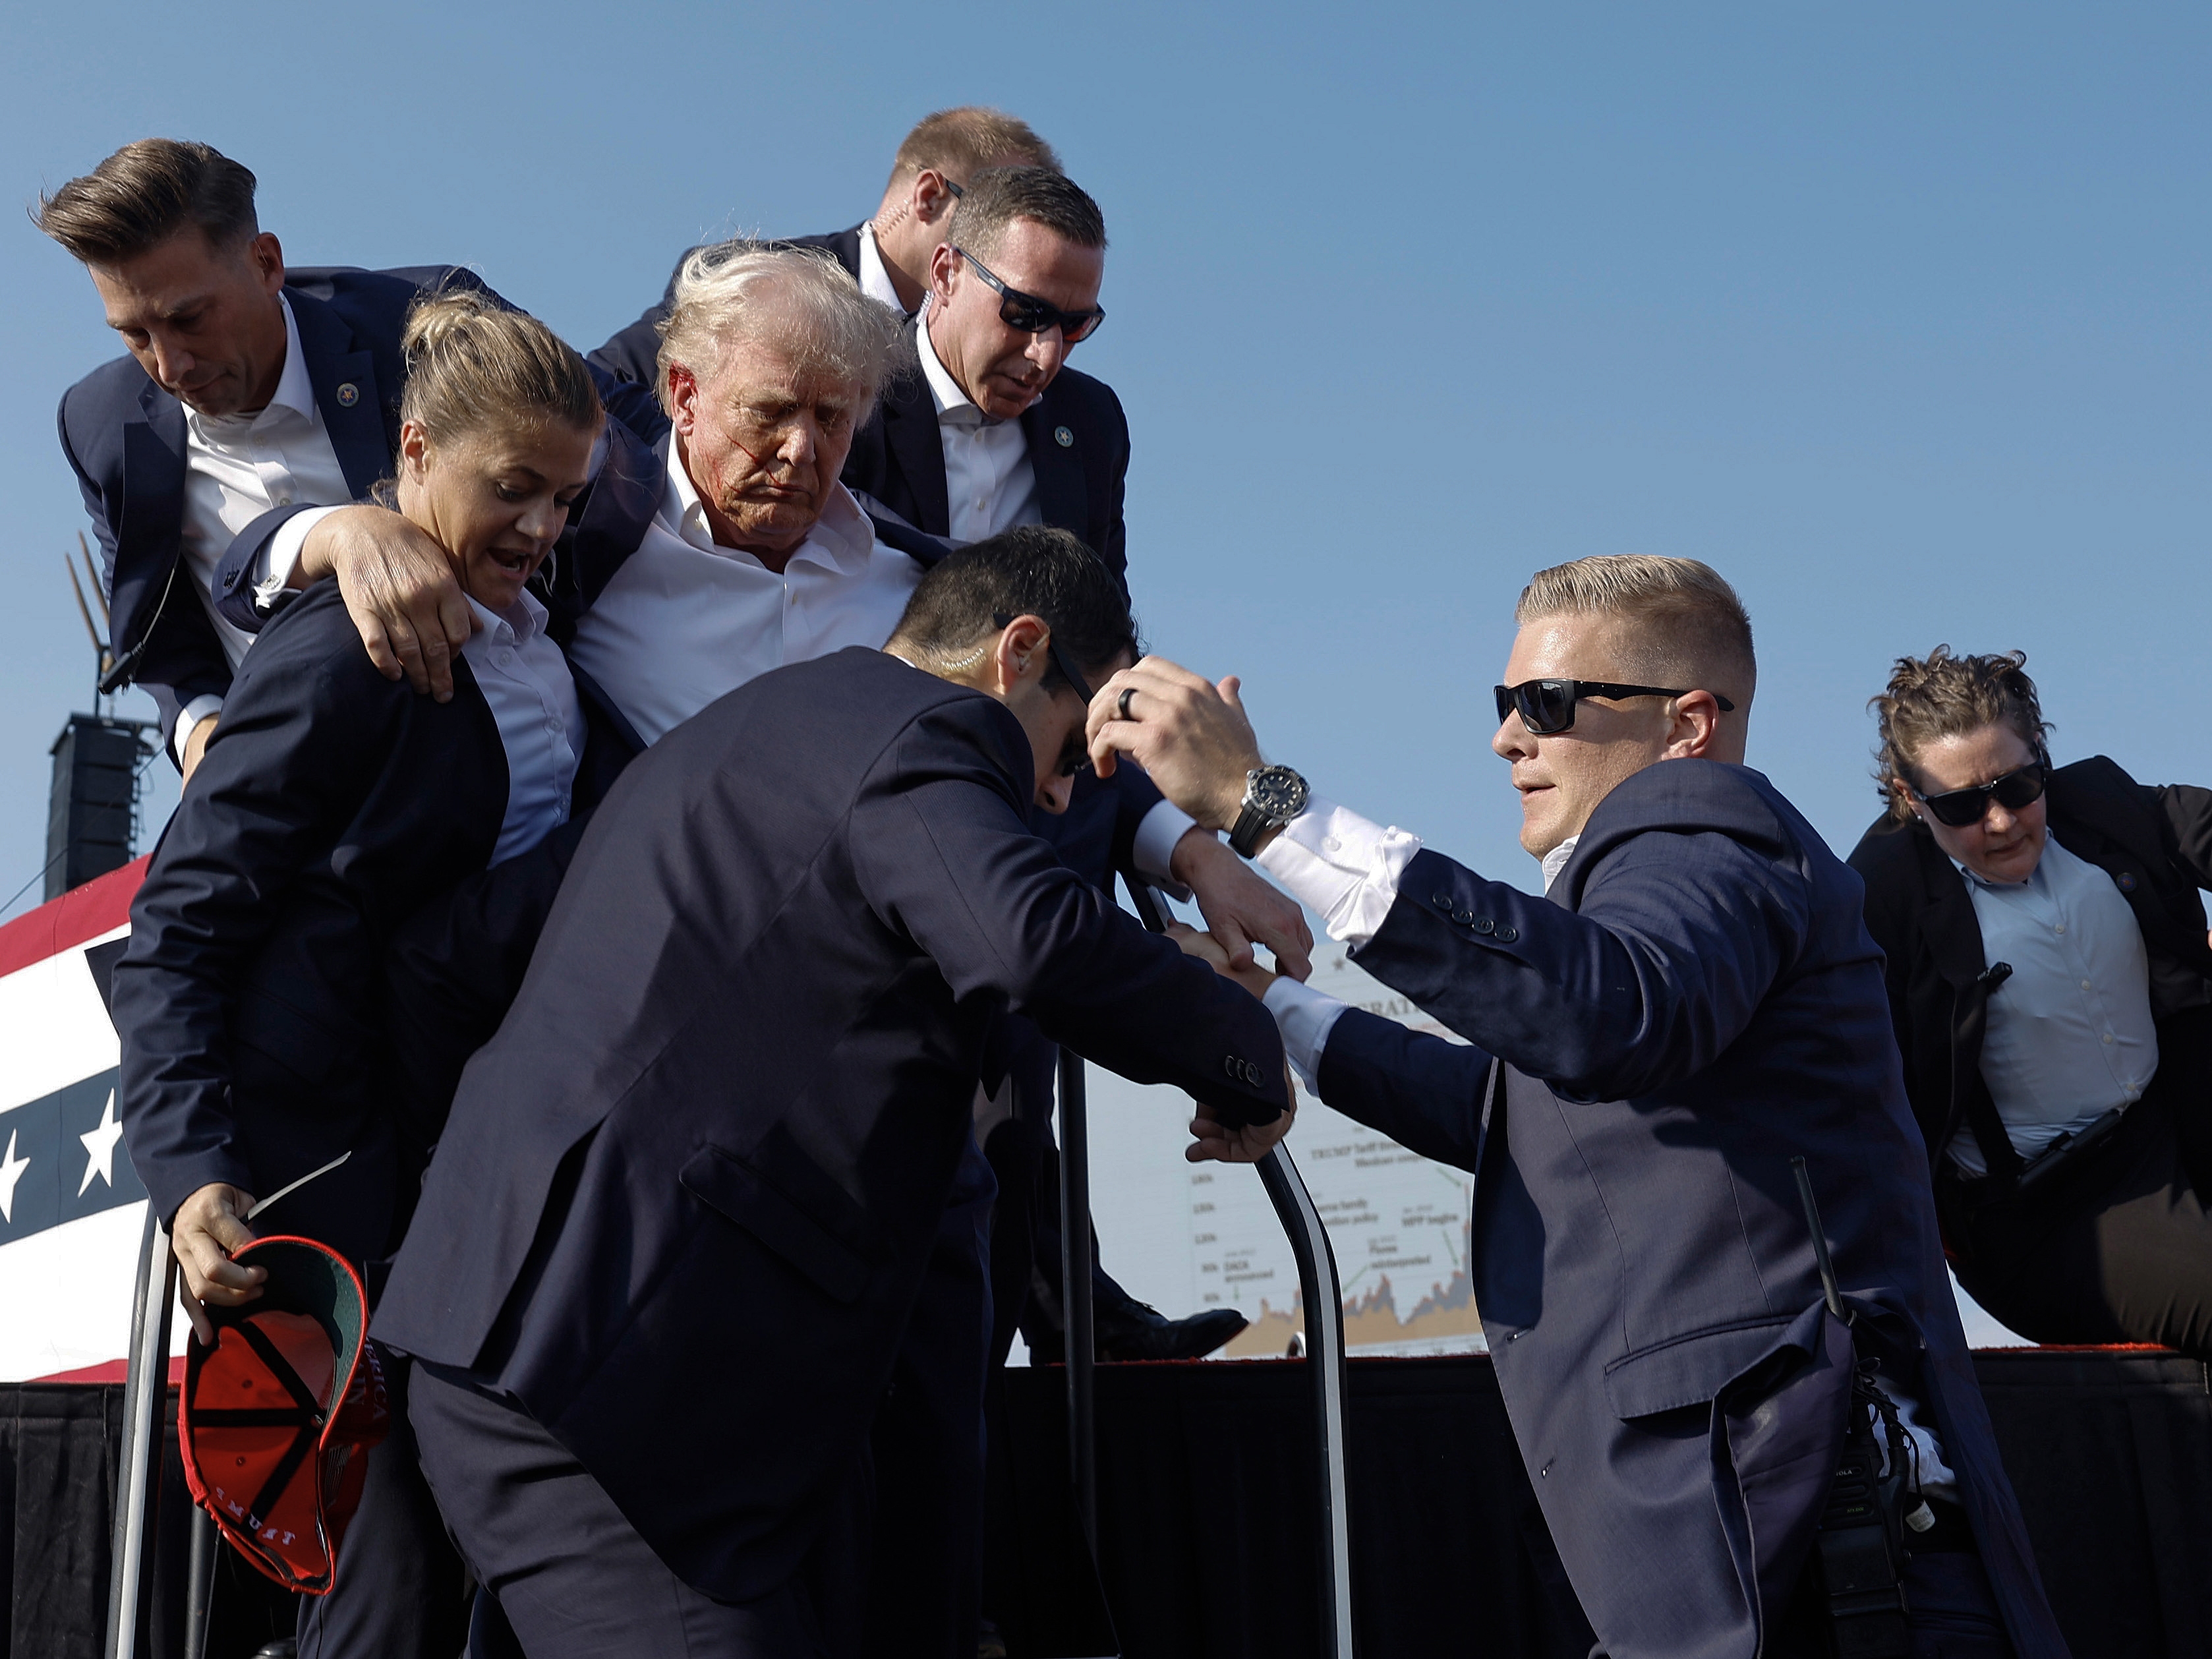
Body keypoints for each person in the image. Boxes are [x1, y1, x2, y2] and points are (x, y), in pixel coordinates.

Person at [1086, 556, 2068, 1659]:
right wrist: (1283, 1015)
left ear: (1687, 724)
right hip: (1762, 1571)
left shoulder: (1707, 833)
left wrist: (1269, 811)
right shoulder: (1660, 911)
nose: (1509, 738)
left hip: (1830, 1574)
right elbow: (1517, 1110)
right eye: (1503, 705)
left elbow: (1606, 1013)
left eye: (1546, 705)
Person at [372, 533, 1291, 1659]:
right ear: (1019, 652)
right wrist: (1241, 1051)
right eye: (1070, 749)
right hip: (602, 1372)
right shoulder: (923, 737)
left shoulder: (761, 730)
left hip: (586, 1353)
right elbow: (1030, 941)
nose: (1058, 798)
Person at [108, 293, 618, 1659]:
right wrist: (192, 1166)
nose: (542, 531)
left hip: (464, 1160)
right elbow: (179, 923)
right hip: (331, 1177)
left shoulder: (536, 635)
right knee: (382, 1580)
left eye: (566, 501)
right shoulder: (345, 650)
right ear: (412, 448)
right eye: (513, 490)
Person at [38, 138, 653, 779]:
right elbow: (158, 635)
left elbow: (611, 414)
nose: (169, 366)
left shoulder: (421, 320)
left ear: (266, 262)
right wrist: (202, 731)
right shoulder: (98, 424)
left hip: (513, 756)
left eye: (189, 319)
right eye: (135, 335)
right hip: (301, 802)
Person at [1849, 647, 2212, 1357]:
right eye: (1958, 804)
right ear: (1907, 798)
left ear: (2039, 758)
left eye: (2015, 787)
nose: (1997, 821)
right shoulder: (1875, 898)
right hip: (2047, 1214)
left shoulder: (2102, 805)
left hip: (2168, 1121)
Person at [589, 105, 1059, 384]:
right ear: (930, 197)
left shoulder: (997, 371)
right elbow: (606, 391)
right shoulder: (751, 280)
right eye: (998, 216)